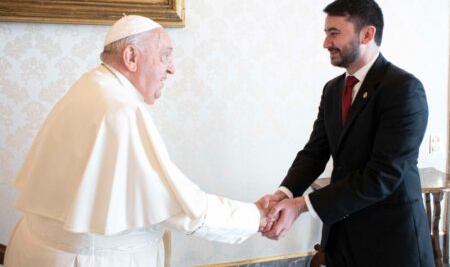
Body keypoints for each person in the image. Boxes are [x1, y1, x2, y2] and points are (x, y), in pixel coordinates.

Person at [5, 15, 269, 267]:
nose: (172, 68)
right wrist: (256, 217)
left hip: (37, 250)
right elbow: (180, 207)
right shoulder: (121, 109)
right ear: (131, 57)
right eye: (165, 55)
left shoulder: (90, 84)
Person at [258, 0, 434, 267]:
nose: (326, 43)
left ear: (367, 34)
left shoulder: (403, 89)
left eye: (334, 33)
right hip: (342, 240)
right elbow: (314, 153)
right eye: (326, 33)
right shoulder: (333, 90)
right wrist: (284, 194)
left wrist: (302, 206)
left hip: (391, 244)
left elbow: (383, 176)